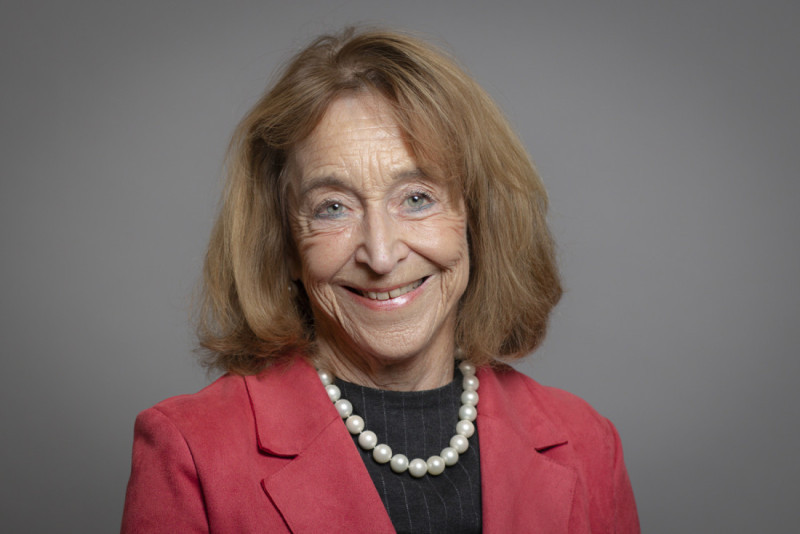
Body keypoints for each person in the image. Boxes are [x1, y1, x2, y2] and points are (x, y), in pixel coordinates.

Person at [121, 27, 639, 533]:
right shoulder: (191, 451)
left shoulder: (588, 443)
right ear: (282, 244)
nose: (382, 254)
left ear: (477, 219)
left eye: (417, 197)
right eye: (332, 207)